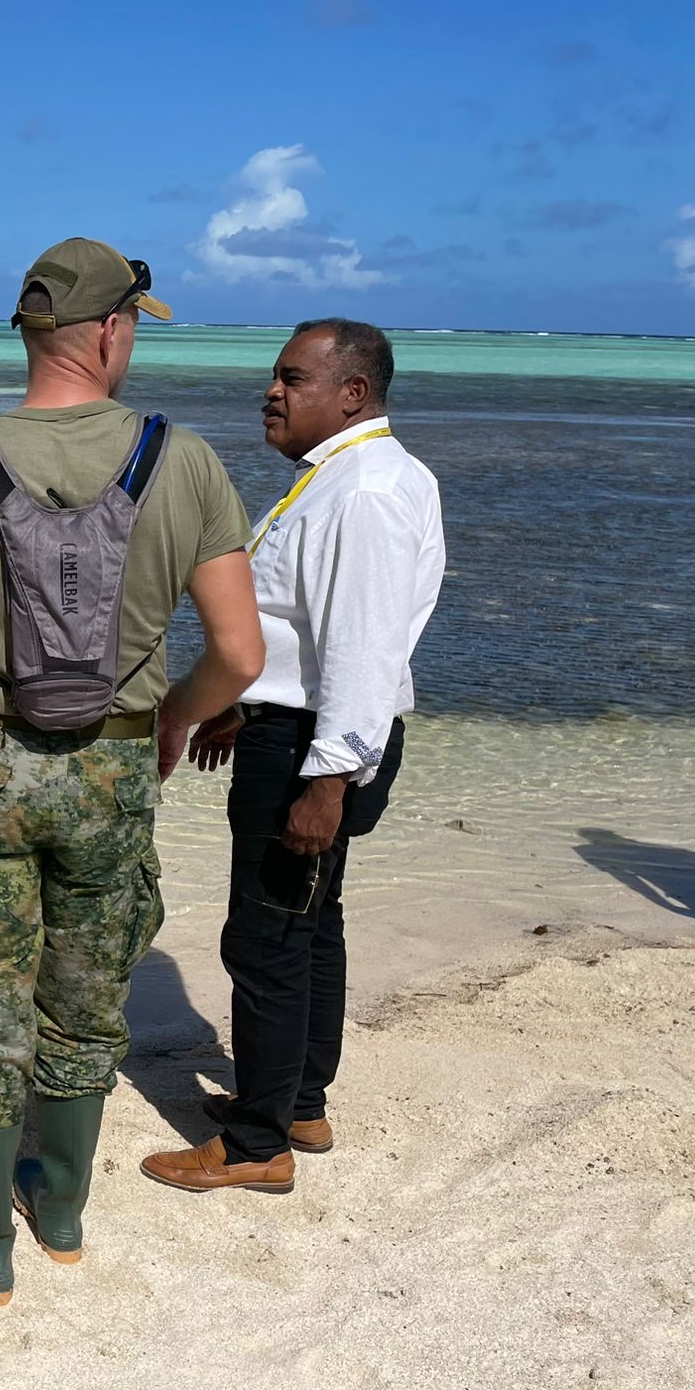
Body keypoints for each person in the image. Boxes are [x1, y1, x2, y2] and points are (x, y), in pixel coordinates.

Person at [0, 239, 265, 1304]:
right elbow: (240, 655)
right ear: (111, 331)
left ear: (33, 334)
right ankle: (62, 1211)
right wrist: (172, 719)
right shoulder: (185, 461)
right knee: (84, 998)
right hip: (113, 767)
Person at [142, 319, 444, 1195]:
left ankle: (256, 1144)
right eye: (275, 376)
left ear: (353, 393)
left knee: (267, 936)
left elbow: (364, 642)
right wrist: (246, 700)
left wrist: (330, 774)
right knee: (310, 923)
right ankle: (298, 1099)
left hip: (318, 745)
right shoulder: (346, 479)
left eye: (293, 378)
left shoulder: (368, 491)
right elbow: (306, 629)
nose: (271, 392)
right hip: (300, 726)